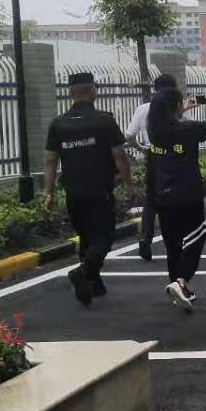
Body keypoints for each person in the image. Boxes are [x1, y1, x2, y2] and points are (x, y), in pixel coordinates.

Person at [43, 72, 133, 307]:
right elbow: (120, 156)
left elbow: (50, 160)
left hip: (73, 192)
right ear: (93, 90)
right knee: (104, 237)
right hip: (100, 190)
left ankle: (94, 285)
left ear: (70, 93)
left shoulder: (58, 124)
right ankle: (82, 273)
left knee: (86, 237)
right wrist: (129, 185)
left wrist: (48, 193)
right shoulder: (104, 120)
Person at [146, 86, 206, 311]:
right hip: (187, 195)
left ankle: (178, 289)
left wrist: (182, 109)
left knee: (172, 245)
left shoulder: (154, 131)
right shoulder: (188, 129)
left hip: (163, 196)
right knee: (196, 238)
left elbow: (168, 120)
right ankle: (181, 282)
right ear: (175, 107)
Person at [126, 73, 178, 261]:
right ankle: (174, 241)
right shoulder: (176, 109)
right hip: (174, 157)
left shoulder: (143, 109)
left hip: (153, 156)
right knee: (175, 197)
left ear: (155, 90)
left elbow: (129, 136)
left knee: (151, 200)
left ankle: (145, 240)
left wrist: (141, 148)